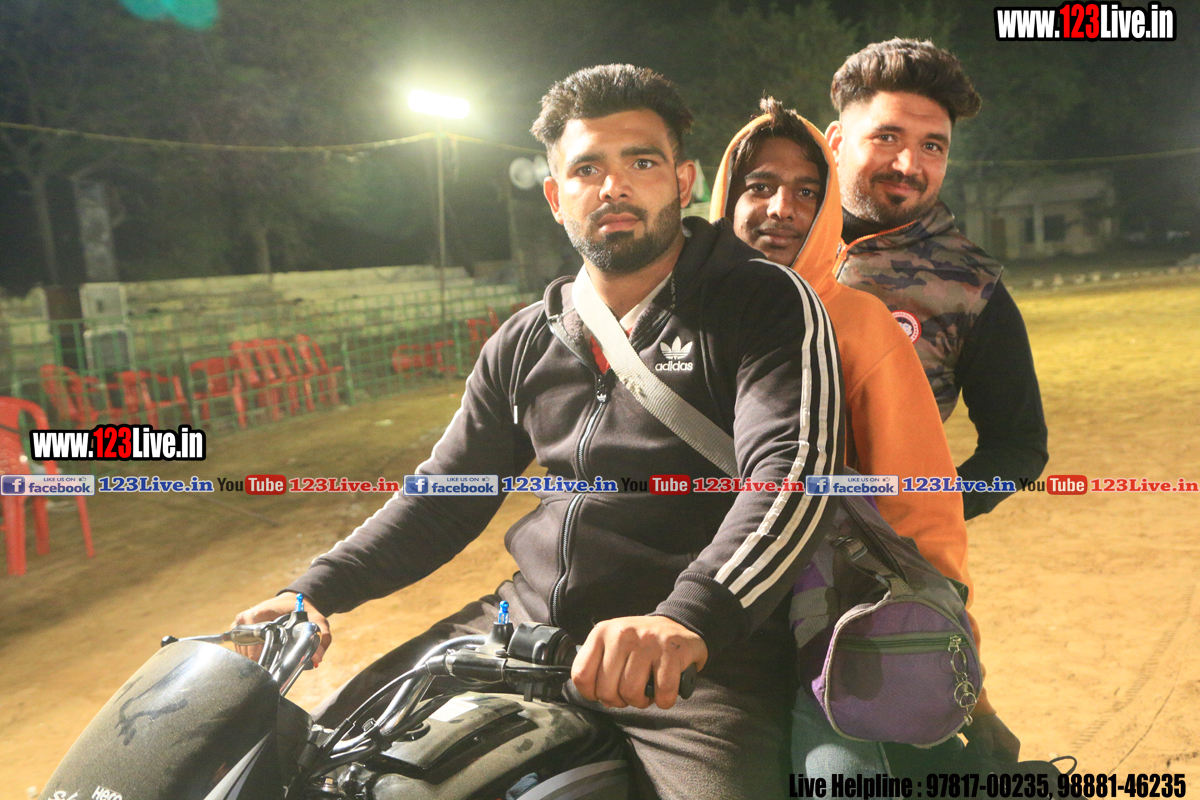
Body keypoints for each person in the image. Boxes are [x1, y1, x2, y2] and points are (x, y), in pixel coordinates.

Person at [234, 64, 844, 800]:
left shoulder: (763, 301)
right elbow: (445, 495)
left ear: (683, 183)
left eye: (641, 163)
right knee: (317, 761)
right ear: (557, 198)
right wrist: (311, 591)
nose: (613, 187)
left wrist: (687, 620)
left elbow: (793, 474)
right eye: (587, 169)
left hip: (690, 661)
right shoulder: (527, 339)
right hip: (520, 631)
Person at [710, 97, 1019, 786]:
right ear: (726, 197)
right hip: (707, 624)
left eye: (806, 192)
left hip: (829, 627)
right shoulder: (683, 318)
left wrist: (960, 658)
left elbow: (921, 507)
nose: (781, 208)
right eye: (759, 186)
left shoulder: (858, 323)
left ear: (827, 208)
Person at [827, 39, 1048, 519]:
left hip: (873, 560)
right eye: (887, 137)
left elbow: (1018, 446)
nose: (909, 165)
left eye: (931, 146)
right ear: (836, 143)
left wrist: (924, 512)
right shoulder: (771, 245)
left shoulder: (971, 285)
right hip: (730, 545)